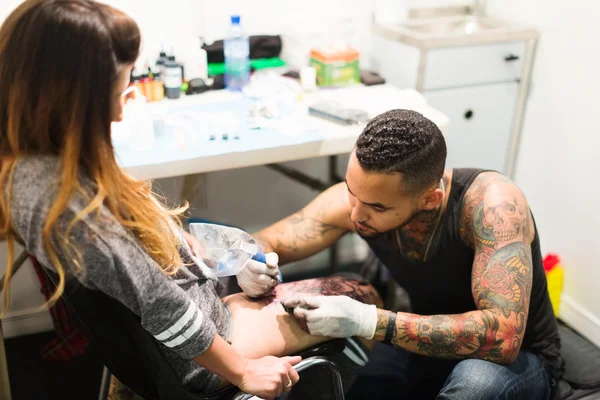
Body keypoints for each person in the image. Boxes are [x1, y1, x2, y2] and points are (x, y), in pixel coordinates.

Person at [0, 1, 382, 398]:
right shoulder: (76, 213)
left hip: (180, 333)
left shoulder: (29, 171)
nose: (116, 113)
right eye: (114, 94)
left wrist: (226, 269)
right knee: (362, 295)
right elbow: (163, 304)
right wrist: (243, 372)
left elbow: (146, 265)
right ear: (71, 98)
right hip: (202, 347)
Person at [252, 109, 564, 399]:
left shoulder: (492, 205)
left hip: (521, 357)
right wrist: (249, 261)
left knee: (473, 385)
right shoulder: (360, 201)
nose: (357, 215)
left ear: (430, 199)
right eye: (351, 190)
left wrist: (367, 320)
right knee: (359, 390)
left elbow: (503, 338)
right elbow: (269, 239)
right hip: (427, 341)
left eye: (377, 208)